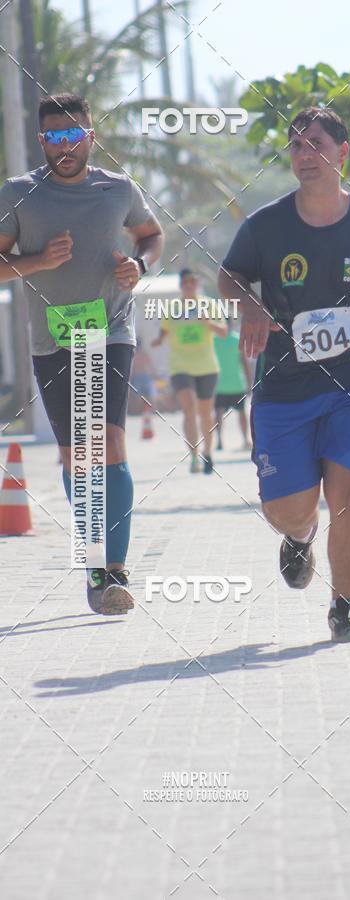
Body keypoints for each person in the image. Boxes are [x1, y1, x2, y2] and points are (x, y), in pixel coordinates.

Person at [218, 107, 350, 642]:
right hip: (285, 387)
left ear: (343, 152)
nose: (303, 154)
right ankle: (299, 536)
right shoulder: (265, 226)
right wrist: (247, 303)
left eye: (315, 144)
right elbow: (229, 276)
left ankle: (347, 604)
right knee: (288, 510)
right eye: (295, 146)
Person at [0, 93, 164, 614]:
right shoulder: (19, 193)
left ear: (90, 137)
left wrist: (140, 265)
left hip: (109, 331)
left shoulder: (118, 189)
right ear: (41, 139)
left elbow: (151, 235)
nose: (62, 146)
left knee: (109, 440)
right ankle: (96, 558)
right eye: (52, 137)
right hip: (53, 339)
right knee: (77, 455)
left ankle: (110, 569)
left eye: (72, 136)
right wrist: (36, 261)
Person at [152, 269, 226, 473]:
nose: (189, 285)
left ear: (198, 283)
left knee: (206, 413)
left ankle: (208, 453)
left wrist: (208, 322)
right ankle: (194, 457)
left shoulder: (209, 304)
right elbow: (164, 330)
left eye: (192, 281)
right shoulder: (172, 307)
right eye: (185, 282)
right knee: (189, 408)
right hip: (180, 366)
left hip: (207, 366)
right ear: (181, 285)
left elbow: (223, 332)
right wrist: (158, 340)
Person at [214, 321, 253, 451]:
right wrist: (249, 383)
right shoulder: (237, 339)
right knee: (241, 413)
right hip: (237, 384)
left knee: (219, 413)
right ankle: (246, 439)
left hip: (220, 385)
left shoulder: (214, 340)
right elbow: (244, 363)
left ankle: (219, 440)